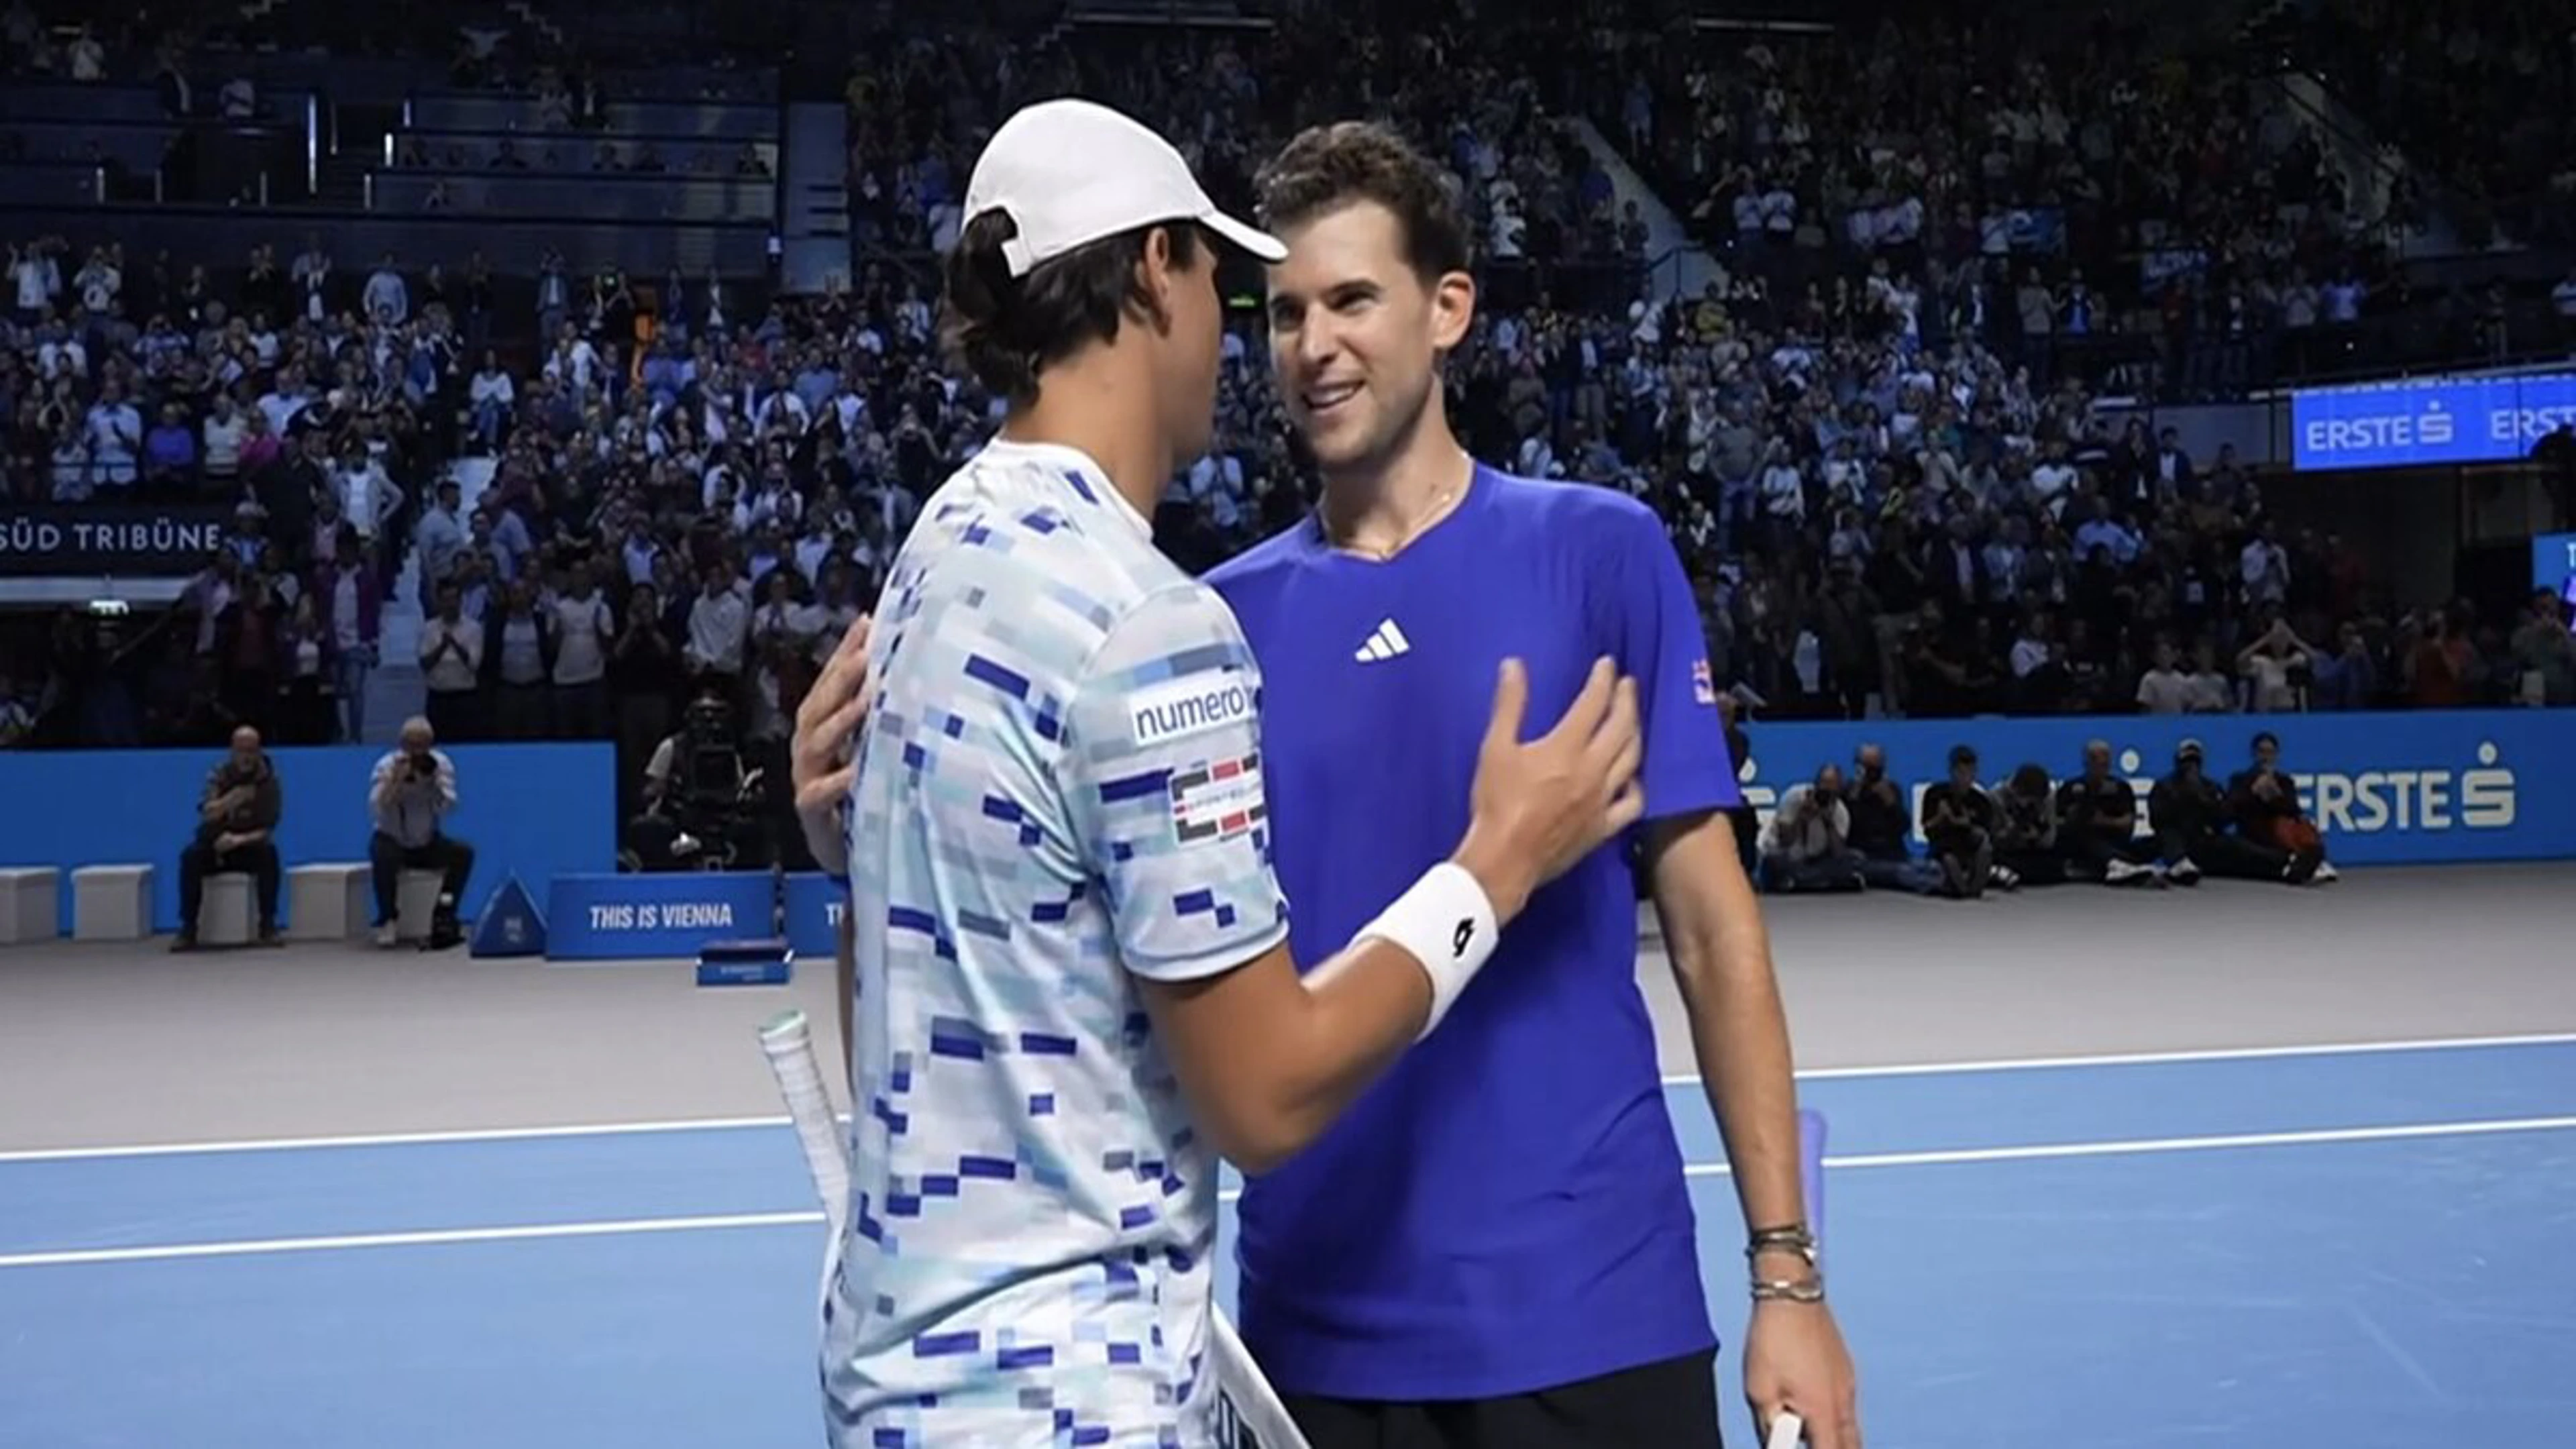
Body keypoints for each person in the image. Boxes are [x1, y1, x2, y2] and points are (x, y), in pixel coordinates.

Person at [814, 97, 1646, 1449]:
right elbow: (1262, 1095)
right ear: (1156, 270)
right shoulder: (1152, 625)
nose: (1249, 337)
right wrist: (1493, 868)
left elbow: (933, 996)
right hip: (1077, 1401)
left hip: (900, 1389)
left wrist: (845, 853)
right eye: (1227, 280)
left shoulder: (939, 550)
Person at [1208, 121, 1856, 1449]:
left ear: (1449, 309)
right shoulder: (1219, 623)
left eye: (1350, 300)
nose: (1312, 345)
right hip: (1313, 1341)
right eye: (1283, 314)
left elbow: (1714, 930)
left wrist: (1786, 1275)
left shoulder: (1600, 555)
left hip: (1592, 1320)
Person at [367, 716, 475, 947]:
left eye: (422, 746)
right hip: (392, 839)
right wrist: (396, 782)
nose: (416, 753)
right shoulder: (386, 766)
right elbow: (377, 807)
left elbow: (449, 806)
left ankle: (444, 913)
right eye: (411, 745)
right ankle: (387, 918)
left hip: (426, 841)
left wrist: (432, 785)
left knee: (463, 854)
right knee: (382, 853)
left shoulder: (439, 765)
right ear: (402, 744)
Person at [173, 724, 284, 950]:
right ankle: (188, 929)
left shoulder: (269, 781)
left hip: (247, 844)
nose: (247, 757)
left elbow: (267, 829)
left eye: (252, 751)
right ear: (232, 751)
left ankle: (268, 926)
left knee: (269, 856)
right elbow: (208, 812)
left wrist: (239, 840)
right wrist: (231, 800)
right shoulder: (218, 775)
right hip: (215, 843)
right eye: (242, 751)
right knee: (190, 857)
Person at [2148, 739, 2285, 882]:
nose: (2191, 767)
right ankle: (2179, 865)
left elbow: (2224, 818)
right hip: (2175, 840)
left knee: (2237, 846)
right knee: (2166, 837)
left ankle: (2284, 863)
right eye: (2187, 762)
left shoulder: (2210, 787)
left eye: (2195, 762)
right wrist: (2182, 798)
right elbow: (2157, 820)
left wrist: (2203, 800)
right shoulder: (2164, 786)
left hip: (2203, 840)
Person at [2225, 731, 2334, 884]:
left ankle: (2306, 864)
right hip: (2252, 836)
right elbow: (2230, 811)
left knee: (2309, 838)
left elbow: (2294, 811)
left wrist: (2274, 795)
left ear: (2276, 755)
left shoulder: (2285, 782)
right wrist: (2252, 791)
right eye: (2262, 752)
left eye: (2270, 752)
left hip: (2279, 836)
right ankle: (2303, 867)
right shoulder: (2239, 780)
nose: (2266, 757)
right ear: (2254, 754)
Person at [1760, 763, 1866, 893]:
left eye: (1832, 790)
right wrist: (1801, 818)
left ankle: (1800, 882)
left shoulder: (1840, 811)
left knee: (1856, 859)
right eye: (1824, 785)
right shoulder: (1794, 797)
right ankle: (1817, 882)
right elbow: (1785, 841)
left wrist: (1829, 823)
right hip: (1787, 856)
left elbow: (1838, 852)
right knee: (1774, 860)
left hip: (1816, 860)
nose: (1826, 791)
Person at [1919, 744, 1998, 900]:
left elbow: (1986, 831)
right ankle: (1960, 890)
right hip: (1944, 846)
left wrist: (1966, 823)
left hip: (1970, 846)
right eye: (1961, 772)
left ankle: (1975, 889)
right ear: (1951, 771)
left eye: (1970, 772)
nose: (1965, 778)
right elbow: (1927, 828)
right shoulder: (1935, 794)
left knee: (1985, 849)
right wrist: (1941, 818)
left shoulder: (1981, 801)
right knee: (1949, 862)